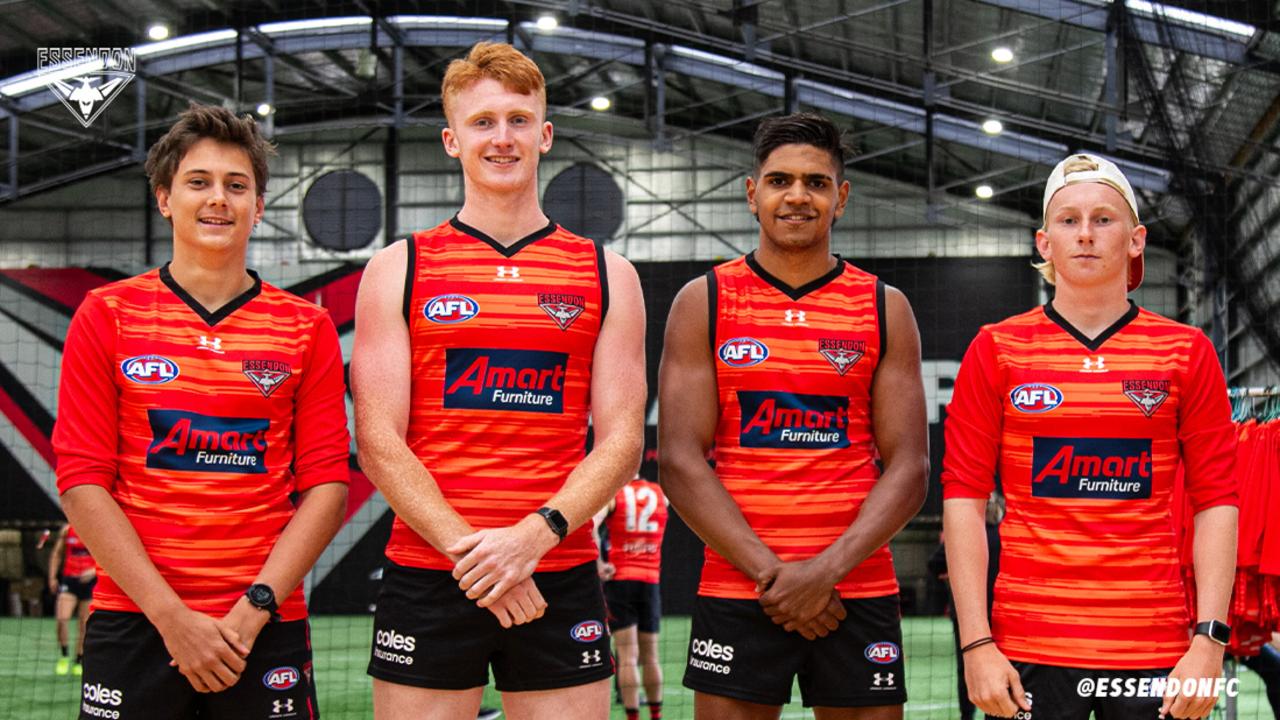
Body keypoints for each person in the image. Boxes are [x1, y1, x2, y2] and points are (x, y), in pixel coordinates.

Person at [353, 41, 646, 720]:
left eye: (518, 119)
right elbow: (377, 440)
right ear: (452, 140)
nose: (502, 137)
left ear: (544, 134)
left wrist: (532, 539)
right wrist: (483, 560)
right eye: (483, 122)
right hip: (431, 574)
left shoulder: (609, 275)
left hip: (557, 570)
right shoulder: (399, 267)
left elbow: (623, 441)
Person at [52, 103, 351, 719]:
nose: (219, 199)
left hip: (262, 626)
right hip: (135, 623)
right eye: (199, 182)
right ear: (164, 198)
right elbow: (82, 481)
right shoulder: (106, 314)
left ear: (259, 205)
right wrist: (171, 618)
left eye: (237, 185)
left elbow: (325, 485)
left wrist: (252, 610)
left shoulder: (307, 326)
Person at [941, 153, 1238, 720]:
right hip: (1030, 643)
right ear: (1044, 242)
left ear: (1135, 239)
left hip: (1153, 645)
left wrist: (1209, 640)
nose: (1085, 234)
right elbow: (963, 500)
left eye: (1103, 219)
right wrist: (976, 643)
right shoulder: (997, 349)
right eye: (1068, 220)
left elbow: (1217, 501)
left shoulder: (1186, 352)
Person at [659, 112, 929, 719]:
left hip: (856, 587)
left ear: (842, 197)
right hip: (739, 587)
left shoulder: (885, 307)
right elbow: (679, 461)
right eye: (780, 180)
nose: (798, 196)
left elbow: (909, 467)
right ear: (753, 193)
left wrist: (825, 571)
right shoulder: (703, 300)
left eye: (816, 182)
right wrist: (777, 577)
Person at [598, 474, 669, 720]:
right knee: (651, 656)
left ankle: (633, 717)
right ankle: (656, 715)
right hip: (650, 581)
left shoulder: (613, 493)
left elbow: (591, 524)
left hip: (621, 580)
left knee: (627, 656)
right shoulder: (660, 493)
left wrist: (599, 563)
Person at [927, 493, 1002, 720]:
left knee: (966, 666)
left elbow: (933, 563)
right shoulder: (1004, 535)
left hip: (968, 612)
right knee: (1004, 662)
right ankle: (1001, 711)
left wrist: (950, 572)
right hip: (999, 610)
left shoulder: (963, 537)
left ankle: (966, 715)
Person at [47, 523, 95, 675]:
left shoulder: (95, 530)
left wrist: (93, 571)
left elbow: (109, 556)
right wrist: (52, 577)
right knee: (62, 619)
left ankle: (79, 659)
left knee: (84, 624)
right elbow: (57, 553)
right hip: (70, 580)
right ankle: (64, 656)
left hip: (89, 583)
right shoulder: (68, 530)